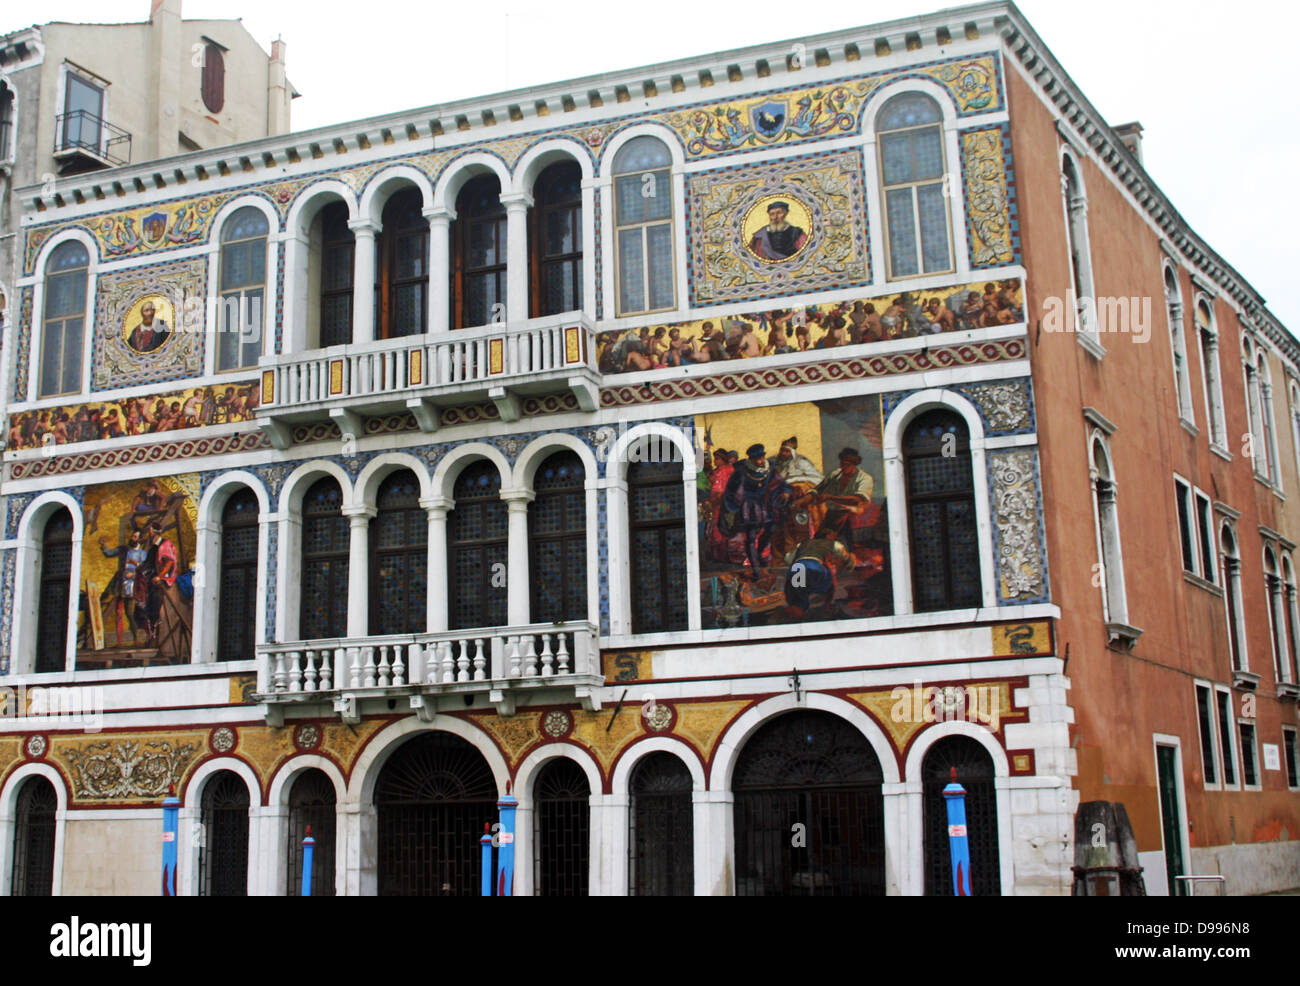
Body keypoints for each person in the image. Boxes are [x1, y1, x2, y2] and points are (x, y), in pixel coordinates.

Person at [719, 444, 794, 579]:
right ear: (751, 459)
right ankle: (756, 570)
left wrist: (786, 492)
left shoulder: (770, 469)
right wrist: (732, 506)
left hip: (767, 504)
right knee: (751, 537)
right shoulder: (741, 471)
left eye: (762, 458)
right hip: (749, 507)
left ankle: (758, 555)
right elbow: (730, 490)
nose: (761, 461)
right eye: (757, 459)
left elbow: (782, 483)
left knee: (771, 529)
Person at [802, 447, 873, 542]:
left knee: (842, 544)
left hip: (851, 517)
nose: (843, 467)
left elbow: (857, 500)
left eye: (847, 465)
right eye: (842, 464)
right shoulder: (835, 475)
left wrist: (830, 497)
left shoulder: (865, 478)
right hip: (832, 514)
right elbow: (818, 489)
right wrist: (808, 498)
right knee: (819, 540)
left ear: (854, 464)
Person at [784, 527, 857, 616]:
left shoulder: (803, 544)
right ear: (828, 535)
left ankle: (796, 614)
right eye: (833, 535)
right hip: (814, 566)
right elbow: (845, 557)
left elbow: (788, 558)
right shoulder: (833, 544)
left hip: (797, 567)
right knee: (827, 585)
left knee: (798, 595)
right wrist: (851, 561)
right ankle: (824, 606)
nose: (835, 538)